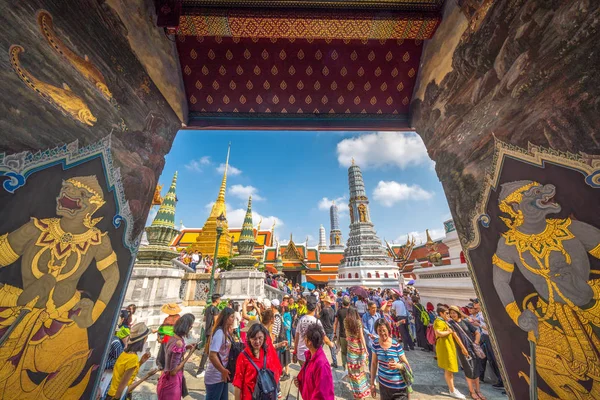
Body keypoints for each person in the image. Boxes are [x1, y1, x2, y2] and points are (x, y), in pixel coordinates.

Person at [107, 323, 157, 399]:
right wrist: (146, 376)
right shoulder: (133, 358)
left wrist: (140, 362)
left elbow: (125, 373)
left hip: (111, 394)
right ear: (144, 339)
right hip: (117, 397)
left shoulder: (124, 353)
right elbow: (122, 389)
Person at [233, 323, 282, 400]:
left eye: (260, 338)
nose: (257, 341)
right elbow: (238, 384)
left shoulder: (266, 352)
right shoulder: (242, 357)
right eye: (254, 338)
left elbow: (273, 373)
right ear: (249, 338)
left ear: (264, 338)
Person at [448, 306, 485, 400]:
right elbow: (456, 337)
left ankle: (478, 390)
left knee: (476, 369)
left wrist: (476, 343)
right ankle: (472, 391)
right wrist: (463, 349)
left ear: (458, 313)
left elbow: (477, 332)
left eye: (454, 312)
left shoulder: (465, 322)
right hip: (463, 350)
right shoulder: (451, 324)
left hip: (472, 348)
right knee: (469, 370)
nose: (452, 314)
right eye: (451, 313)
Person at [157, 314, 198, 400]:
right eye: (190, 326)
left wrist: (185, 348)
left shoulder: (173, 337)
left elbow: (173, 355)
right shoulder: (179, 342)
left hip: (166, 378)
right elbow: (173, 371)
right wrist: (189, 354)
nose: (191, 328)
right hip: (172, 383)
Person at [370, 319, 412, 400]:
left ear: (388, 330)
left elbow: (407, 366)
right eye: (379, 330)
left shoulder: (396, 345)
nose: (382, 333)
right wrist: (372, 383)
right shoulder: (375, 344)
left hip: (399, 388)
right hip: (384, 386)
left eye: (384, 330)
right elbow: (374, 363)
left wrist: (398, 366)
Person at [295, 323, 335, 400]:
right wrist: (300, 381)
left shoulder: (321, 364)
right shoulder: (310, 356)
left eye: (305, 337)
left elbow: (323, 395)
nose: (304, 339)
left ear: (309, 342)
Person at [434, 306, 467, 400]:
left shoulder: (444, 321)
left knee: (450, 369)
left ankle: (452, 388)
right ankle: (452, 390)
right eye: (447, 313)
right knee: (449, 369)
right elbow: (438, 333)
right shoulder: (439, 321)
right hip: (445, 348)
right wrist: (449, 331)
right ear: (441, 313)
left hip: (448, 347)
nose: (449, 315)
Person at [470, 300, 503, 389]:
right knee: (484, 358)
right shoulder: (480, 313)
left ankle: (502, 381)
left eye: (475, 303)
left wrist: (479, 325)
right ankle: (482, 377)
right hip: (484, 336)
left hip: (490, 338)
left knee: (494, 360)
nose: (474, 305)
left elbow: (491, 328)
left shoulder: (487, 313)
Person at [293, 295, 334, 366]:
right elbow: (325, 338)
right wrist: (331, 343)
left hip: (301, 353)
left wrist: (295, 351)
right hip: (312, 354)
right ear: (315, 308)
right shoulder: (317, 322)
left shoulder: (301, 320)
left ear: (306, 307)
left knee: (304, 373)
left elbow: (296, 337)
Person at [344, 307, 371, 399]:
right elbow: (361, 336)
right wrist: (365, 348)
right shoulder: (358, 322)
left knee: (353, 372)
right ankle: (362, 390)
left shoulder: (346, 322)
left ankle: (356, 391)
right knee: (360, 371)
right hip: (359, 348)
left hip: (351, 349)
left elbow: (347, 336)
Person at [97, 326, 130, 399]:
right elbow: (122, 361)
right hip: (102, 376)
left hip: (104, 376)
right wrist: (126, 345)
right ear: (125, 336)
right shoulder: (116, 343)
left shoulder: (115, 340)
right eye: (128, 338)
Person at [197, 293, 222, 377]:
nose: (220, 300)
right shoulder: (215, 309)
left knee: (210, 350)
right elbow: (216, 321)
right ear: (217, 300)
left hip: (207, 330)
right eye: (219, 299)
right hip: (212, 331)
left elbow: (204, 319)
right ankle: (200, 370)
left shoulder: (207, 308)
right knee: (207, 350)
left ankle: (208, 367)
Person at [157, 303, 182, 370]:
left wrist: (159, 337)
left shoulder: (167, 319)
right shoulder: (179, 319)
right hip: (175, 340)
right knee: (171, 357)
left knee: (164, 355)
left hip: (166, 339)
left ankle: (162, 371)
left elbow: (161, 330)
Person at [319, 295, 339, 368]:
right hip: (330, 329)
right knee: (331, 346)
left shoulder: (324, 310)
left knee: (320, 347)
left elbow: (318, 317)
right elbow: (333, 320)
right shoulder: (332, 310)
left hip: (324, 330)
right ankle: (335, 361)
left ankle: (318, 361)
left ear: (326, 302)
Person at [333, 295, 351, 374]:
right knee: (350, 352)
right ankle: (350, 367)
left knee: (344, 352)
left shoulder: (339, 311)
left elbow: (336, 323)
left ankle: (345, 367)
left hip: (342, 334)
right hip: (351, 335)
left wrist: (334, 333)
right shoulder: (352, 311)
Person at [362, 301, 381, 369]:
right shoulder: (365, 316)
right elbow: (364, 328)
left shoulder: (378, 315)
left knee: (378, 357)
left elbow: (380, 325)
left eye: (375, 308)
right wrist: (369, 334)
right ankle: (371, 372)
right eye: (372, 308)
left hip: (378, 339)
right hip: (369, 340)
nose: (374, 309)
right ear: (369, 308)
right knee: (371, 358)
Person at [282, 304, 293, 380]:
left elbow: (288, 327)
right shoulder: (284, 315)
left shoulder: (287, 315)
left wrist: (282, 321)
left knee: (286, 356)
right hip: (284, 338)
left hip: (286, 338)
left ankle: (286, 373)